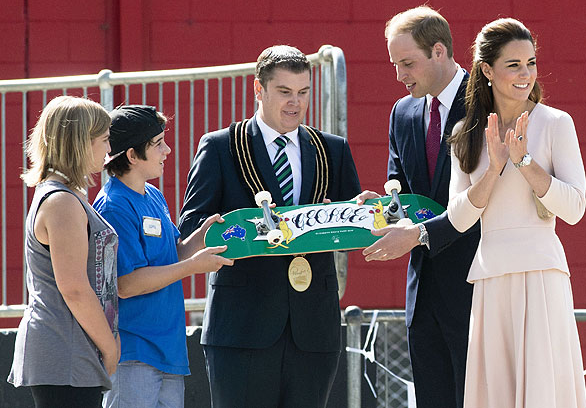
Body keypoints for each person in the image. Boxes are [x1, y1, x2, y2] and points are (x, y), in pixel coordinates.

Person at [179, 45, 361, 408]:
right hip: (242, 327)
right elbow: (191, 226)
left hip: (313, 329)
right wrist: (243, 229)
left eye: (304, 92)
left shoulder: (333, 150)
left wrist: (358, 213)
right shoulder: (220, 147)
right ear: (258, 90)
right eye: (284, 92)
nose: (296, 103)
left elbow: (355, 230)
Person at [447, 18, 586, 407]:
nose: (525, 74)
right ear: (487, 70)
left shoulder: (557, 123)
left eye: (531, 63)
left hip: (541, 275)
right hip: (491, 276)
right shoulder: (465, 133)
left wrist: (524, 160)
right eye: (514, 65)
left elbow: (575, 208)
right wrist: (493, 169)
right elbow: (458, 219)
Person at [356, 6, 480, 408]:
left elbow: (485, 200)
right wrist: (382, 207)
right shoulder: (403, 112)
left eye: (407, 63)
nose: (399, 75)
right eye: (395, 64)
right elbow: (407, 195)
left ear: (440, 51)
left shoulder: (486, 102)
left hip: (478, 288)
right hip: (423, 291)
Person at [93, 105, 232, 408]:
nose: (167, 150)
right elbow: (127, 283)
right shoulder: (113, 205)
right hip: (133, 352)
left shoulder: (153, 195)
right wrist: (193, 267)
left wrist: (203, 236)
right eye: (158, 144)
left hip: (168, 351)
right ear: (131, 155)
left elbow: (173, 255)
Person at [8, 96, 119, 408]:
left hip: (73, 350)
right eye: (104, 139)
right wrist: (109, 347)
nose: (108, 150)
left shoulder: (67, 197)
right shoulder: (62, 202)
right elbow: (73, 288)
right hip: (64, 351)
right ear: (80, 143)